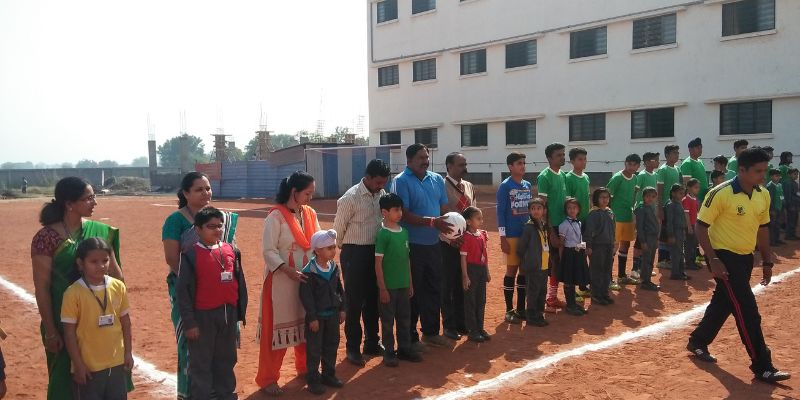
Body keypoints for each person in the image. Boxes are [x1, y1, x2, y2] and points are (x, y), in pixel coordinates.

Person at [687, 147, 791, 383]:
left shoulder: (763, 194)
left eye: (765, 170)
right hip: (723, 257)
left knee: (724, 302)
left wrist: (767, 261)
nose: (763, 175)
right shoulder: (720, 193)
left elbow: (763, 229)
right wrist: (713, 259)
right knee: (747, 309)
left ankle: (698, 340)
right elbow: (701, 226)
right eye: (758, 171)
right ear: (741, 170)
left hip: (745, 257)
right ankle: (762, 365)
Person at [31, 177, 124, 400]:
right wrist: (51, 331)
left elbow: (117, 278)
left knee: (103, 379)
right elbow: (42, 288)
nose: (95, 202)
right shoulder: (46, 238)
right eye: (88, 198)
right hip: (63, 323)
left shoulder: (100, 232)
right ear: (69, 204)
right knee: (65, 383)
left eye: (94, 197)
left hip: (99, 323)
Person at [162, 171, 238, 399]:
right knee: (192, 344)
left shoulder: (219, 218)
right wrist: (199, 283)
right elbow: (172, 258)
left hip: (219, 296)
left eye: (208, 188)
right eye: (199, 189)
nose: (206, 193)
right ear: (186, 194)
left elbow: (229, 252)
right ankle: (191, 393)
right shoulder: (175, 221)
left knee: (221, 347)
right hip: (189, 291)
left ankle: (218, 392)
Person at [256, 171, 320, 396]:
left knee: (307, 324)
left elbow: (316, 242)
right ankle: (268, 378)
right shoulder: (275, 217)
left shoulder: (310, 213)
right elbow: (268, 250)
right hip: (281, 282)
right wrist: (286, 270)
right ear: (294, 192)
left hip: (306, 279)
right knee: (277, 330)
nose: (310, 198)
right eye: (307, 193)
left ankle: (305, 368)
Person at [177, 207, 247, 400]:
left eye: (219, 226)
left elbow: (239, 281)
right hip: (203, 317)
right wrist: (190, 323)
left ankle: (226, 395)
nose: (217, 230)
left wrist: (239, 312)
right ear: (198, 229)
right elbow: (183, 292)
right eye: (211, 226)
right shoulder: (191, 255)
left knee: (227, 359)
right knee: (201, 362)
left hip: (228, 314)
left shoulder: (231, 250)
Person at [390, 144, 454, 350]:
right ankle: (410, 338)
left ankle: (431, 333)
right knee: (412, 292)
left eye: (426, 157)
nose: (425, 161)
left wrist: (452, 232)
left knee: (434, 288)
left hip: (433, 244)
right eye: (420, 158)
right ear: (409, 160)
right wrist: (432, 222)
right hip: (411, 246)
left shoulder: (437, 179)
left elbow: (444, 210)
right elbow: (403, 214)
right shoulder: (401, 181)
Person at [332, 159, 390, 366]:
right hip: (355, 253)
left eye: (383, 183)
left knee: (374, 300)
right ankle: (353, 348)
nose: (381, 186)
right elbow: (338, 230)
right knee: (354, 302)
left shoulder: (381, 194)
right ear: (367, 177)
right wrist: (348, 252)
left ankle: (372, 342)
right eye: (378, 182)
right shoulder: (350, 198)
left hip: (375, 253)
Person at [61, 238, 132, 399]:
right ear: (80, 263)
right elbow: (69, 333)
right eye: (94, 262)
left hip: (116, 364)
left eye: (105, 260)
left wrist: (128, 352)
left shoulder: (118, 286)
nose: (101, 266)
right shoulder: (73, 293)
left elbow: (126, 323)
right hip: (89, 368)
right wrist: (78, 364)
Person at [375, 193, 422, 367]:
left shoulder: (404, 233)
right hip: (389, 287)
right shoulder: (383, 235)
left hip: (403, 285)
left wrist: (410, 282)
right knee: (388, 321)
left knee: (404, 319)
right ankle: (389, 352)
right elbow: (378, 264)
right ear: (384, 212)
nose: (400, 213)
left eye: (400, 209)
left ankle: (404, 349)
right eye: (396, 210)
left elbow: (407, 260)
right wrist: (382, 288)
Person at [299, 230, 345, 395]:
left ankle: (328, 375)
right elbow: (306, 297)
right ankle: (313, 380)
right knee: (314, 349)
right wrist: (312, 318)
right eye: (329, 248)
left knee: (331, 345)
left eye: (334, 247)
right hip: (317, 318)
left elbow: (339, 289)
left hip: (332, 315)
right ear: (317, 250)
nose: (333, 251)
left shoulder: (334, 267)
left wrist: (342, 308)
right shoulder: (308, 272)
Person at [441, 152, 476, 341]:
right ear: (449, 166)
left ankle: (462, 322)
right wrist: (449, 239)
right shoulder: (441, 186)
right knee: (448, 285)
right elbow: (439, 215)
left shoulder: (468, 186)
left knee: (463, 283)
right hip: (448, 244)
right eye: (460, 164)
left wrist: (473, 235)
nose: (464, 167)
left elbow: (474, 212)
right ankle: (449, 325)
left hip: (466, 243)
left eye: (465, 164)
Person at [497, 152, 533, 324]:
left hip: (526, 235)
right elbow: (500, 212)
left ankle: (520, 308)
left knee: (524, 270)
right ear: (510, 166)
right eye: (519, 163)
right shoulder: (505, 186)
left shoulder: (527, 184)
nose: (522, 166)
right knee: (511, 271)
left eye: (524, 163)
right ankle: (508, 310)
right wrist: (503, 238)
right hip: (511, 235)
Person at [537, 143, 568, 313]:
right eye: (559, 155)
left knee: (560, 261)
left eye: (563, 154)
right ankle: (549, 298)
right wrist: (550, 232)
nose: (563, 157)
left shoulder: (563, 175)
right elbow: (542, 208)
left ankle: (553, 296)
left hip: (563, 225)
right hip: (552, 226)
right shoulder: (544, 177)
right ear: (549, 158)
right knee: (552, 261)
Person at [607, 153, 641, 288]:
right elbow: (607, 197)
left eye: (634, 165)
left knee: (625, 245)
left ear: (638, 166)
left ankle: (621, 276)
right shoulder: (617, 178)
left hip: (628, 217)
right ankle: (608, 278)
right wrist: (609, 216)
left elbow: (634, 197)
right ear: (625, 163)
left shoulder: (635, 179)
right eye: (629, 164)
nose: (631, 167)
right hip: (616, 218)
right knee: (613, 247)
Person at [517, 198, 551, 327]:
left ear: (544, 211)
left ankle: (539, 314)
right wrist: (526, 262)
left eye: (539, 208)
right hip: (533, 266)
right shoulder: (529, 228)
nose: (536, 211)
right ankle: (531, 316)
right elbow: (521, 248)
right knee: (533, 292)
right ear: (529, 211)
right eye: (533, 209)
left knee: (542, 291)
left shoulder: (544, 226)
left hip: (544, 265)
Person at [460, 206, 491, 342]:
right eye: (478, 219)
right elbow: (463, 258)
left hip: (481, 269)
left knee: (481, 300)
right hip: (471, 270)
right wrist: (465, 276)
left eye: (481, 218)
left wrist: (487, 271)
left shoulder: (482, 235)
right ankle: (473, 330)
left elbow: (485, 254)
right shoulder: (466, 237)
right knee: (471, 301)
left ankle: (480, 327)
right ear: (468, 221)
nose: (481, 221)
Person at [565, 147, 591, 298]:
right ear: (572, 161)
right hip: (574, 224)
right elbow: (568, 202)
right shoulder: (568, 178)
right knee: (575, 256)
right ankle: (574, 289)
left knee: (583, 253)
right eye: (580, 159)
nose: (583, 162)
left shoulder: (586, 177)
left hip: (585, 222)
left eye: (585, 159)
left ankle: (582, 286)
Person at [558, 198, 589, 315]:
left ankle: (574, 303)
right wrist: (562, 258)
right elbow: (561, 243)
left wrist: (583, 249)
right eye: (569, 208)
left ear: (578, 210)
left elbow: (579, 239)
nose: (572, 210)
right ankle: (570, 305)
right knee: (568, 279)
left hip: (578, 253)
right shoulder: (563, 225)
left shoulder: (579, 223)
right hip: (569, 254)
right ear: (566, 210)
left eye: (574, 208)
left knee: (575, 277)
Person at [631, 152, 660, 281]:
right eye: (655, 160)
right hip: (642, 212)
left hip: (650, 212)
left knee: (647, 244)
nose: (658, 162)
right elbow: (635, 192)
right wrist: (636, 209)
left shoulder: (655, 175)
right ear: (647, 162)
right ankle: (634, 269)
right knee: (639, 242)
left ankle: (643, 267)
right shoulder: (641, 175)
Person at [585, 188, 615, 306]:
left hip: (608, 245)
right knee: (597, 270)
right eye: (602, 197)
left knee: (607, 270)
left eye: (607, 197)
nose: (605, 200)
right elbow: (589, 231)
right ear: (596, 199)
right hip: (597, 246)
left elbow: (613, 229)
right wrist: (589, 246)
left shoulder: (610, 212)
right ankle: (596, 295)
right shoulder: (593, 213)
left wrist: (613, 243)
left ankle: (604, 293)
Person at [656, 145, 683, 269]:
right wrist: (660, 208)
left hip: (676, 206)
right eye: (674, 153)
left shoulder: (678, 169)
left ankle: (671, 258)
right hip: (666, 207)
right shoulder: (663, 170)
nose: (677, 155)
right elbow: (660, 190)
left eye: (677, 152)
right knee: (665, 233)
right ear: (667, 155)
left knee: (674, 231)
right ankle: (662, 259)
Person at [635, 188, 660, 291]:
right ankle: (645, 281)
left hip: (653, 237)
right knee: (647, 260)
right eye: (648, 196)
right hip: (647, 238)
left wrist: (657, 239)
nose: (650, 198)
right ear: (643, 197)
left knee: (650, 260)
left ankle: (647, 279)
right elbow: (639, 227)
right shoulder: (641, 209)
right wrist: (643, 241)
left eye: (653, 197)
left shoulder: (650, 207)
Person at [666, 184, 690, 281]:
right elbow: (669, 221)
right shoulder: (671, 205)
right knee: (676, 253)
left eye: (683, 193)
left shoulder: (679, 203)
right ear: (673, 193)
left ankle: (681, 272)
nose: (682, 195)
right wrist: (671, 235)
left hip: (680, 231)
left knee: (680, 253)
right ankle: (675, 273)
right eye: (680, 193)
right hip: (675, 232)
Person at [680, 137, 709, 204]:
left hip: (704, 199)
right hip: (695, 201)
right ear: (690, 150)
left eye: (701, 148)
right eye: (698, 148)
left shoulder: (700, 162)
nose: (700, 150)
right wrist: (694, 201)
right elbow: (687, 185)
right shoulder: (687, 163)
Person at [683, 179, 702, 270]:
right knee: (689, 245)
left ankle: (693, 261)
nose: (698, 189)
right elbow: (686, 214)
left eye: (698, 187)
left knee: (694, 244)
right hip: (690, 226)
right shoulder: (686, 199)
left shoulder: (695, 199)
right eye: (695, 187)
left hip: (694, 225)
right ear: (689, 188)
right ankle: (689, 262)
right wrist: (689, 227)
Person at [766, 169, 785, 246]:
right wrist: (771, 210)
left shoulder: (780, 185)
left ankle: (777, 239)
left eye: (779, 176)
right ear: (771, 176)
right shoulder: (770, 186)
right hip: (773, 209)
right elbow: (769, 199)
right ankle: (772, 241)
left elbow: (782, 196)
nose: (778, 177)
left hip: (779, 208)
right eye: (776, 176)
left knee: (778, 225)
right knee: (772, 226)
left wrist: (783, 205)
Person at [783, 168, 800, 241]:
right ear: (789, 175)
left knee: (795, 221)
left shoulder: (795, 183)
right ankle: (788, 236)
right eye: (794, 174)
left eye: (797, 174)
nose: (796, 176)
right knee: (790, 221)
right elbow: (787, 195)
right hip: (791, 205)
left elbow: (797, 194)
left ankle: (793, 235)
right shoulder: (787, 183)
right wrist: (789, 205)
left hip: (796, 205)